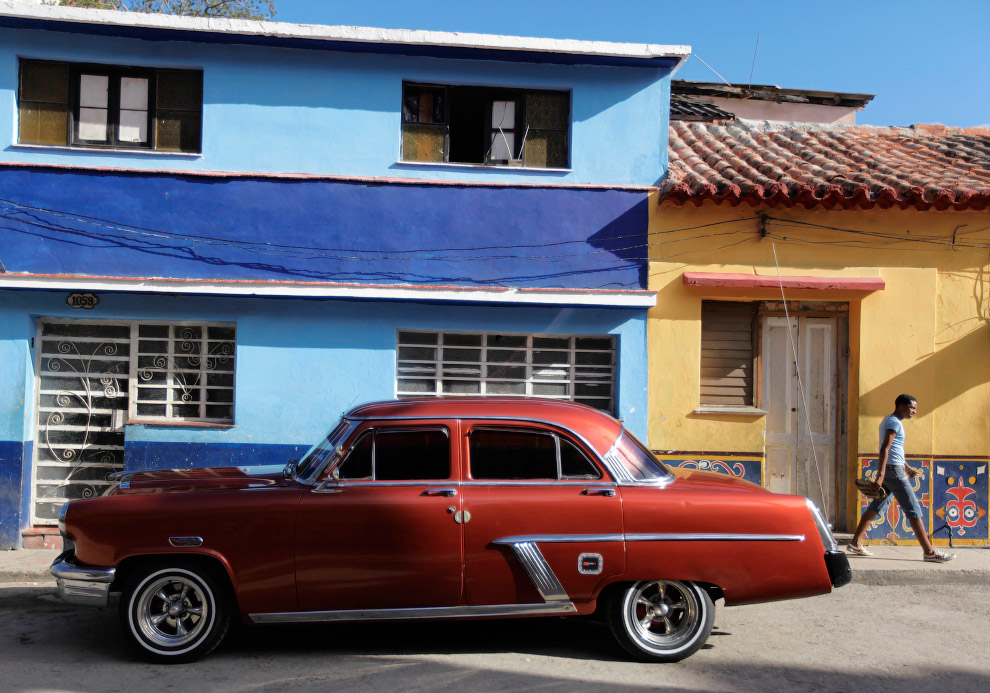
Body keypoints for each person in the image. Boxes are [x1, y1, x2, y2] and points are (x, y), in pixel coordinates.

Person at [847, 394, 955, 562]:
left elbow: (895, 450)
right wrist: (880, 476)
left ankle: (855, 542)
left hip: (895, 470)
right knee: (913, 510)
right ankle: (929, 552)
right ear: (901, 406)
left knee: (876, 506)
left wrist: (907, 467)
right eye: (912, 408)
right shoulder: (894, 423)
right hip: (893, 473)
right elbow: (885, 448)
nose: (914, 411)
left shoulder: (889, 421)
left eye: (915, 409)